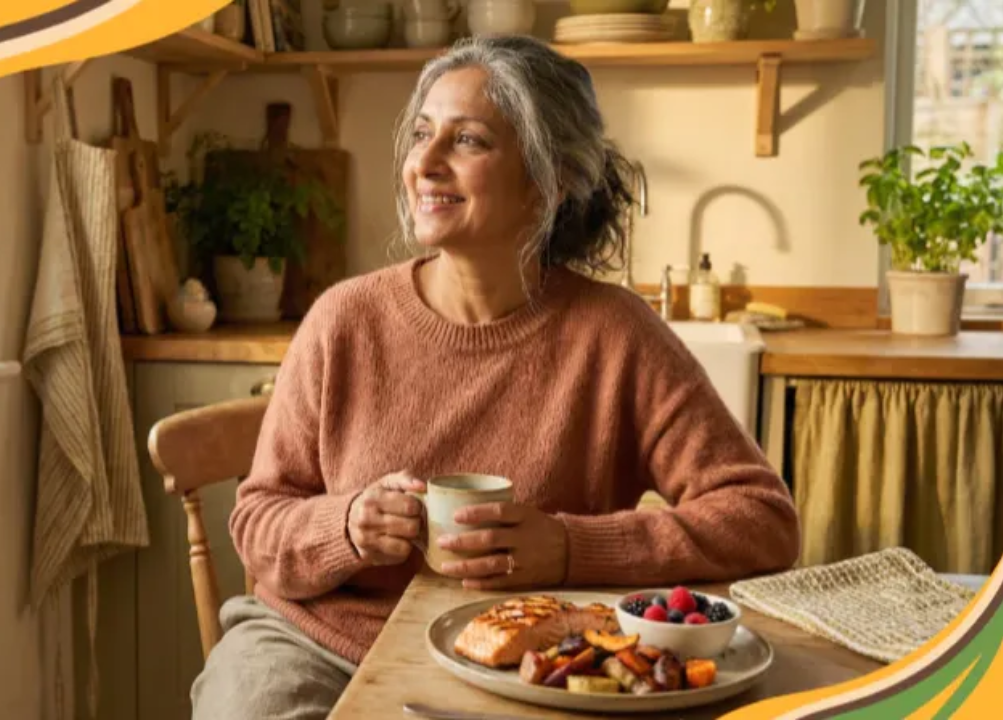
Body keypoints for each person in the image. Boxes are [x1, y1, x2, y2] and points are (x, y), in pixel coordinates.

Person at [190, 34, 800, 720]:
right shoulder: (344, 321)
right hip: (316, 644)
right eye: (422, 134)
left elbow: (763, 522)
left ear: (551, 178)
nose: (424, 162)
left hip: (526, 665)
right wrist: (348, 525)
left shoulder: (616, 335)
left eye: (468, 141)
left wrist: (570, 548)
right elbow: (258, 516)